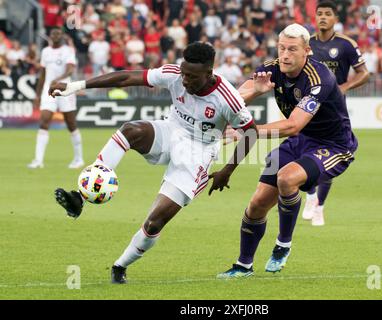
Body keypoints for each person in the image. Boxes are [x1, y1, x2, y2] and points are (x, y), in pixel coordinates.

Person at [49, 42, 257, 284]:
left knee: (154, 221)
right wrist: (75, 86)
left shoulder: (227, 99)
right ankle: (80, 197)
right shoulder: (174, 75)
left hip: (197, 155)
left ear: (209, 73)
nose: (185, 80)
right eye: (184, 73)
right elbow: (127, 77)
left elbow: (250, 132)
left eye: (192, 77)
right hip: (171, 131)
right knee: (130, 130)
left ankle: (120, 266)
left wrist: (227, 171)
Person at [216, 23, 358, 278]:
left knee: (286, 177)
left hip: (334, 145)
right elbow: (236, 99)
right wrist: (255, 93)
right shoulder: (270, 69)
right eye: (281, 48)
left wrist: (245, 131)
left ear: (307, 51)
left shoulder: (320, 78)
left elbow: (293, 125)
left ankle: (283, 245)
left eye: (292, 49)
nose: (285, 54)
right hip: (301, 142)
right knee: (258, 203)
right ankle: (243, 265)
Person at [303, 1, 369, 226]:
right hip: (307, 105)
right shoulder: (306, 43)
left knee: (329, 155)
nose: (322, 17)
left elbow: (364, 73)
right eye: (319, 13)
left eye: (327, 14)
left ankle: (319, 206)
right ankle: (310, 195)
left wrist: (343, 88)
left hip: (333, 110)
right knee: (303, 151)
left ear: (335, 19)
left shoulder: (346, 44)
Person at [28, 28, 84, 169]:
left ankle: (79, 159)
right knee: (44, 121)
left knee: (71, 123)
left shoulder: (68, 51)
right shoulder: (46, 52)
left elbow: (70, 69)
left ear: (62, 36)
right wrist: (37, 95)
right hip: (48, 90)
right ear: (50, 36)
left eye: (58, 33)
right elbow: (43, 74)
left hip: (65, 89)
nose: (55, 35)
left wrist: (58, 80)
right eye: (53, 33)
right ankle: (38, 160)